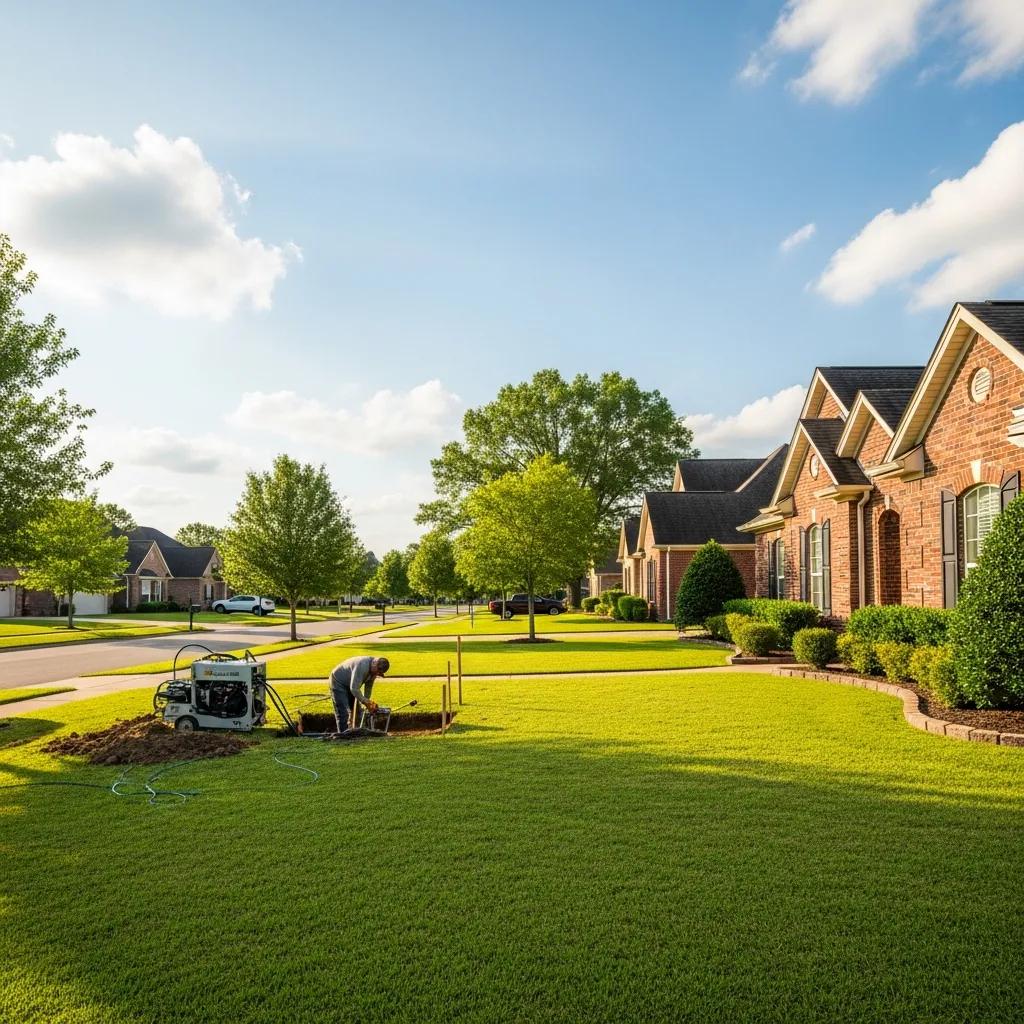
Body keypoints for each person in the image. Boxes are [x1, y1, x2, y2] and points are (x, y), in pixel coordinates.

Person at [329, 655, 390, 732]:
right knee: (343, 712)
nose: (377, 674)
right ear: (375, 663)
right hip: (338, 682)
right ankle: (342, 736)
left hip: (350, 685)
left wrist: (367, 702)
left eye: (379, 673)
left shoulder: (374, 671)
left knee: (357, 711)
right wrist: (365, 702)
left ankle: (356, 732)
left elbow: (368, 687)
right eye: (378, 671)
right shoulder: (362, 666)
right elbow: (354, 689)